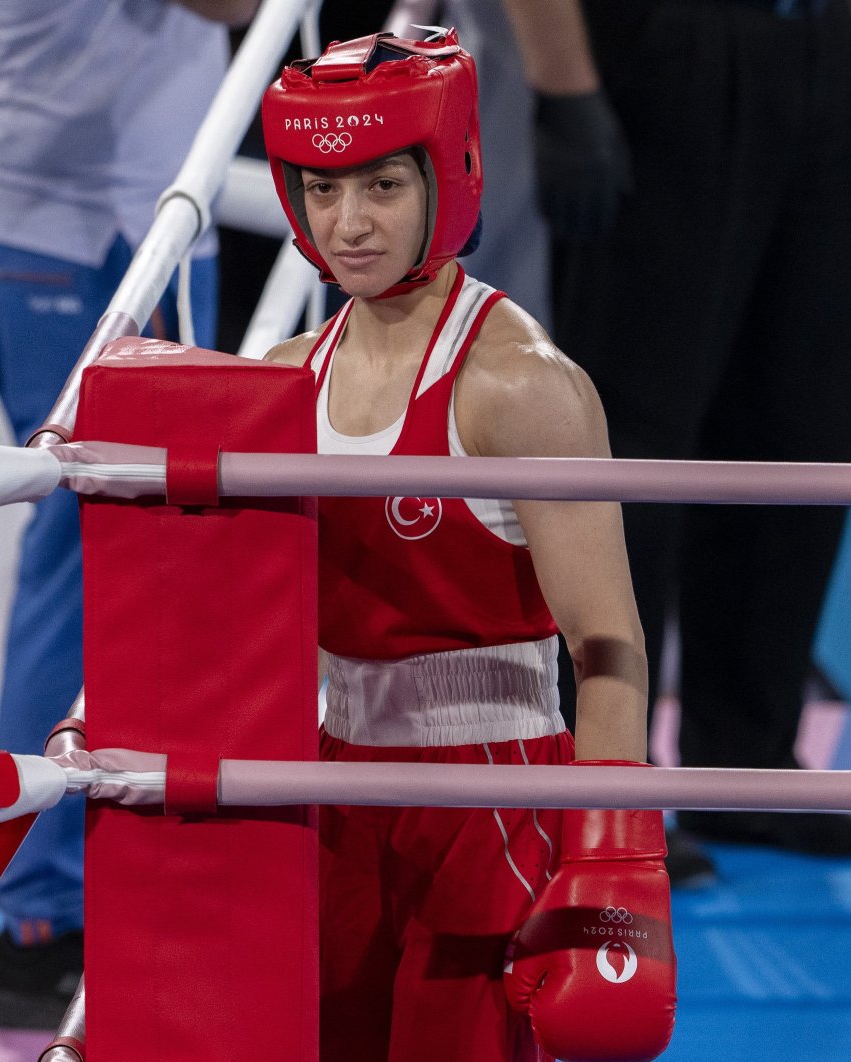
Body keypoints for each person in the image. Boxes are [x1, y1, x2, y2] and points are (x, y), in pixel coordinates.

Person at [259, 32, 675, 1060]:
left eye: (382, 186)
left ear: (445, 176)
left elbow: (610, 647)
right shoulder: (275, 378)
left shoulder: (521, 386)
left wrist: (607, 864)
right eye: (320, 189)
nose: (347, 224)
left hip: (489, 792)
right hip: (330, 789)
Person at [0, 0, 257, 1028]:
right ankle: (37, 910)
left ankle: (116, 870)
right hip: (60, 216)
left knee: (164, 536)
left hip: (147, 199)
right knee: (80, 533)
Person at [545, 0, 851, 865]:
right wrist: (562, 82)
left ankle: (752, 765)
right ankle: (605, 778)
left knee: (801, 416)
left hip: (823, 42)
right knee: (635, 432)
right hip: (666, 47)